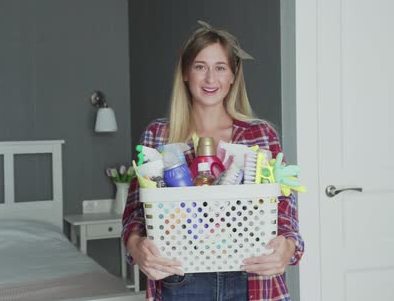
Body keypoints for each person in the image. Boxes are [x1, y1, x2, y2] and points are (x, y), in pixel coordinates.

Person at [122, 20, 304, 301]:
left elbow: (284, 212)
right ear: (185, 72)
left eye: (220, 68)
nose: (210, 79)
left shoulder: (259, 134)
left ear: (233, 76)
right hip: (181, 278)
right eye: (200, 66)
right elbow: (136, 214)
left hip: (253, 278)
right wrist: (137, 247)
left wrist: (288, 248)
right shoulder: (159, 135)